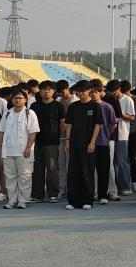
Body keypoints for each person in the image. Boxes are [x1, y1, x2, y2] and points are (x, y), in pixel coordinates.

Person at [0, 89, 39, 208]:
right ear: (12, 100)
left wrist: (28, 147)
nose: (17, 100)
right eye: (15, 98)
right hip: (8, 150)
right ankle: (12, 200)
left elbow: (33, 132)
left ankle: (22, 200)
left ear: (25, 100)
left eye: (20, 98)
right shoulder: (7, 113)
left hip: (23, 150)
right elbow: (1, 132)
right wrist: (0, 148)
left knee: (24, 176)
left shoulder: (29, 113)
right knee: (10, 177)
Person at [63, 81, 102, 211]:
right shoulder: (73, 106)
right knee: (73, 173)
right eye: (78, 91)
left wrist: (92, 142)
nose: (81, 93)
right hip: (74, 143)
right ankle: (73, 201)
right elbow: (69, 124)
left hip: (88, 144)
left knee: (87, 172)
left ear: (89, 90)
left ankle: (87, 200)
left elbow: (97, 125)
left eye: (83, 91)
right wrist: (67, 141)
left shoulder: (95, 106)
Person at [29, 82, 65, 203]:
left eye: (49, 89)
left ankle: (53, 194)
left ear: (53, 91)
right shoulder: (34, 106)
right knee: (37, 170)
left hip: (52, 142)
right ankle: (37, 194)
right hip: (36, 141)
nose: (46, 91)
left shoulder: (58, 106)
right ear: (40, 91)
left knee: (52, 169)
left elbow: (62, 123)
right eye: (43, 89)